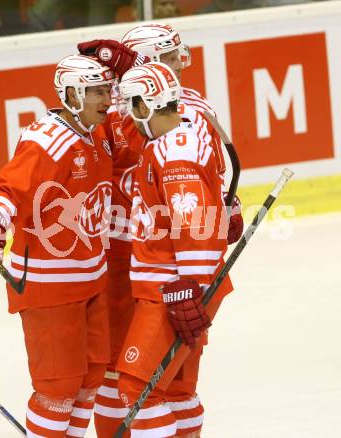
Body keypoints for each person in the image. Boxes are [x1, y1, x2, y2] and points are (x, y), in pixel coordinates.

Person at [77, 23, 243, 437]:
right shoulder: (119, 109)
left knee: (151, 380)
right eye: (168, 58)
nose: (179, 66)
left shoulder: (174, 107)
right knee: (130, 374)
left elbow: (201, 183)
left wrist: (224, 209)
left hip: (163, 264)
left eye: (176, 57)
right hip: (124, 260)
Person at [0, 54, 115, 437]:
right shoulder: (47, 140)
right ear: (71, 94)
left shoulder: (95, 132)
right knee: (57, 389)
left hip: (91, 277)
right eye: (96, 91)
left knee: (91, 377)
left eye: (106, 89)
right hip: (50, 284)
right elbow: (8, 188)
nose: (106, 99)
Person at [115, 61, 232, 436]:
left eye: (131, 105)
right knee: (176, 391)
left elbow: (194, 227)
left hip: (173, 291)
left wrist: (190, 287)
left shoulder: (175, 153)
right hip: (179, 288)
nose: (128, 116)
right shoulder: (174, 142)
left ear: (146, 104)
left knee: (138, 389)